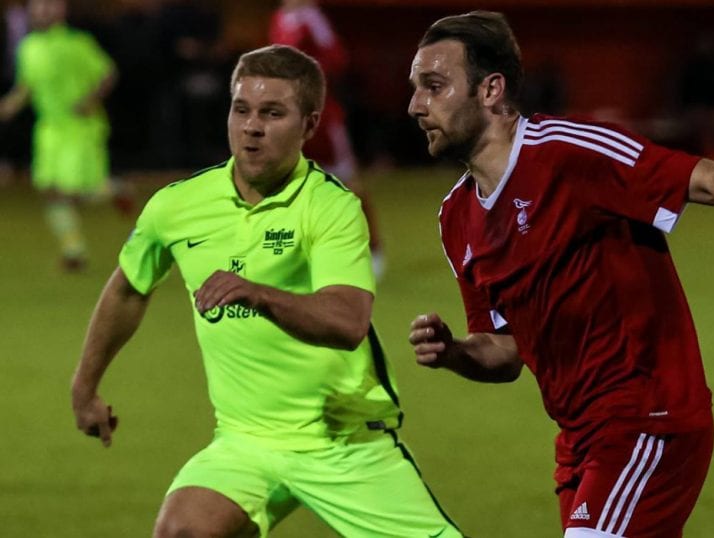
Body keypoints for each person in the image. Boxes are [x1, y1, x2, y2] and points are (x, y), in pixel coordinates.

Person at [71, 44, 462, 538]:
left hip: (345, 443)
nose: (252, 126)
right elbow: (128, 289)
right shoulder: (177, 206)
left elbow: (347, 323)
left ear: (309, 124)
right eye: (242, 110)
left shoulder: (331, 207)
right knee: (182, 532)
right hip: (245, 443)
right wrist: (85, 388)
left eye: (272, 113)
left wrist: (259, 294)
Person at [407, 11, 714, 538]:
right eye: (416, 88)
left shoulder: (567, 152)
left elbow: (709, 178)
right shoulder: (456, 219)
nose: (415, 105)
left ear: (491, 90)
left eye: (434, 86)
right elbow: (506, 352)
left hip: (650, 419)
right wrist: (456, 352)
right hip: (580, 442)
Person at [269, 0, 385, 278]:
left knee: (348, 184)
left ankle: (373, 248)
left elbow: (337, 58)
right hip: (288, 118)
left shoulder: (312, 18)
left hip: (320, 117)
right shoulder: (279, 19)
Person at [0, 0, 118, 271]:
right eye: (38, 7)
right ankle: (73, 251)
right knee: (51, 191)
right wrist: (7, 107)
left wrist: (89, 100)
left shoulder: (78, 43)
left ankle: (117, 190)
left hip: (80, 128)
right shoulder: (28, 47)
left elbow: (108, 73)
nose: (42, 12)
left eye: (49, 7)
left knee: (76, 192)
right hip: (49, 130)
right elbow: (26, 87)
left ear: (61, 11)